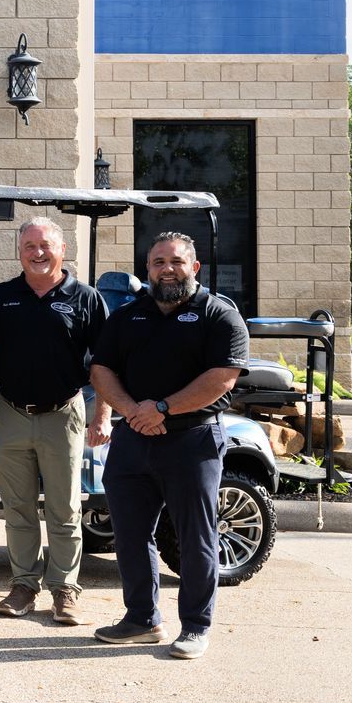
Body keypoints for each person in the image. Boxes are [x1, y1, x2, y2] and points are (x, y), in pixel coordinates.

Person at [88, 232, 248, 660]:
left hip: (191, 441)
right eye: (158, 262)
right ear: (148, 270)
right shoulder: (126, 316)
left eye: (175, 261)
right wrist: (132, 411)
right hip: (132, 440)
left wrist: (162, 408)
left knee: (195, 536)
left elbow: (222, 379)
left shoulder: (219, 315)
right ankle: (142, 619)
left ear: (193, 268)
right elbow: (102, 370)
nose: (166, 269)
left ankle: (195, 626)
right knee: (129, 535)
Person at [0, 218, 109, 625]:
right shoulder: (3, 297)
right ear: (20, 252)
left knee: (64, 509)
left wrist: (103, 416)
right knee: (18, 510)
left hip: (63, 414)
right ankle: (24, 585)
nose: (37, 252)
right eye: (29, 246)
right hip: (11, 413)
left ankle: (65, 590)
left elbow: (106, 364)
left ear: (62, 250)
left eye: (45, 245)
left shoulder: (86, 299)